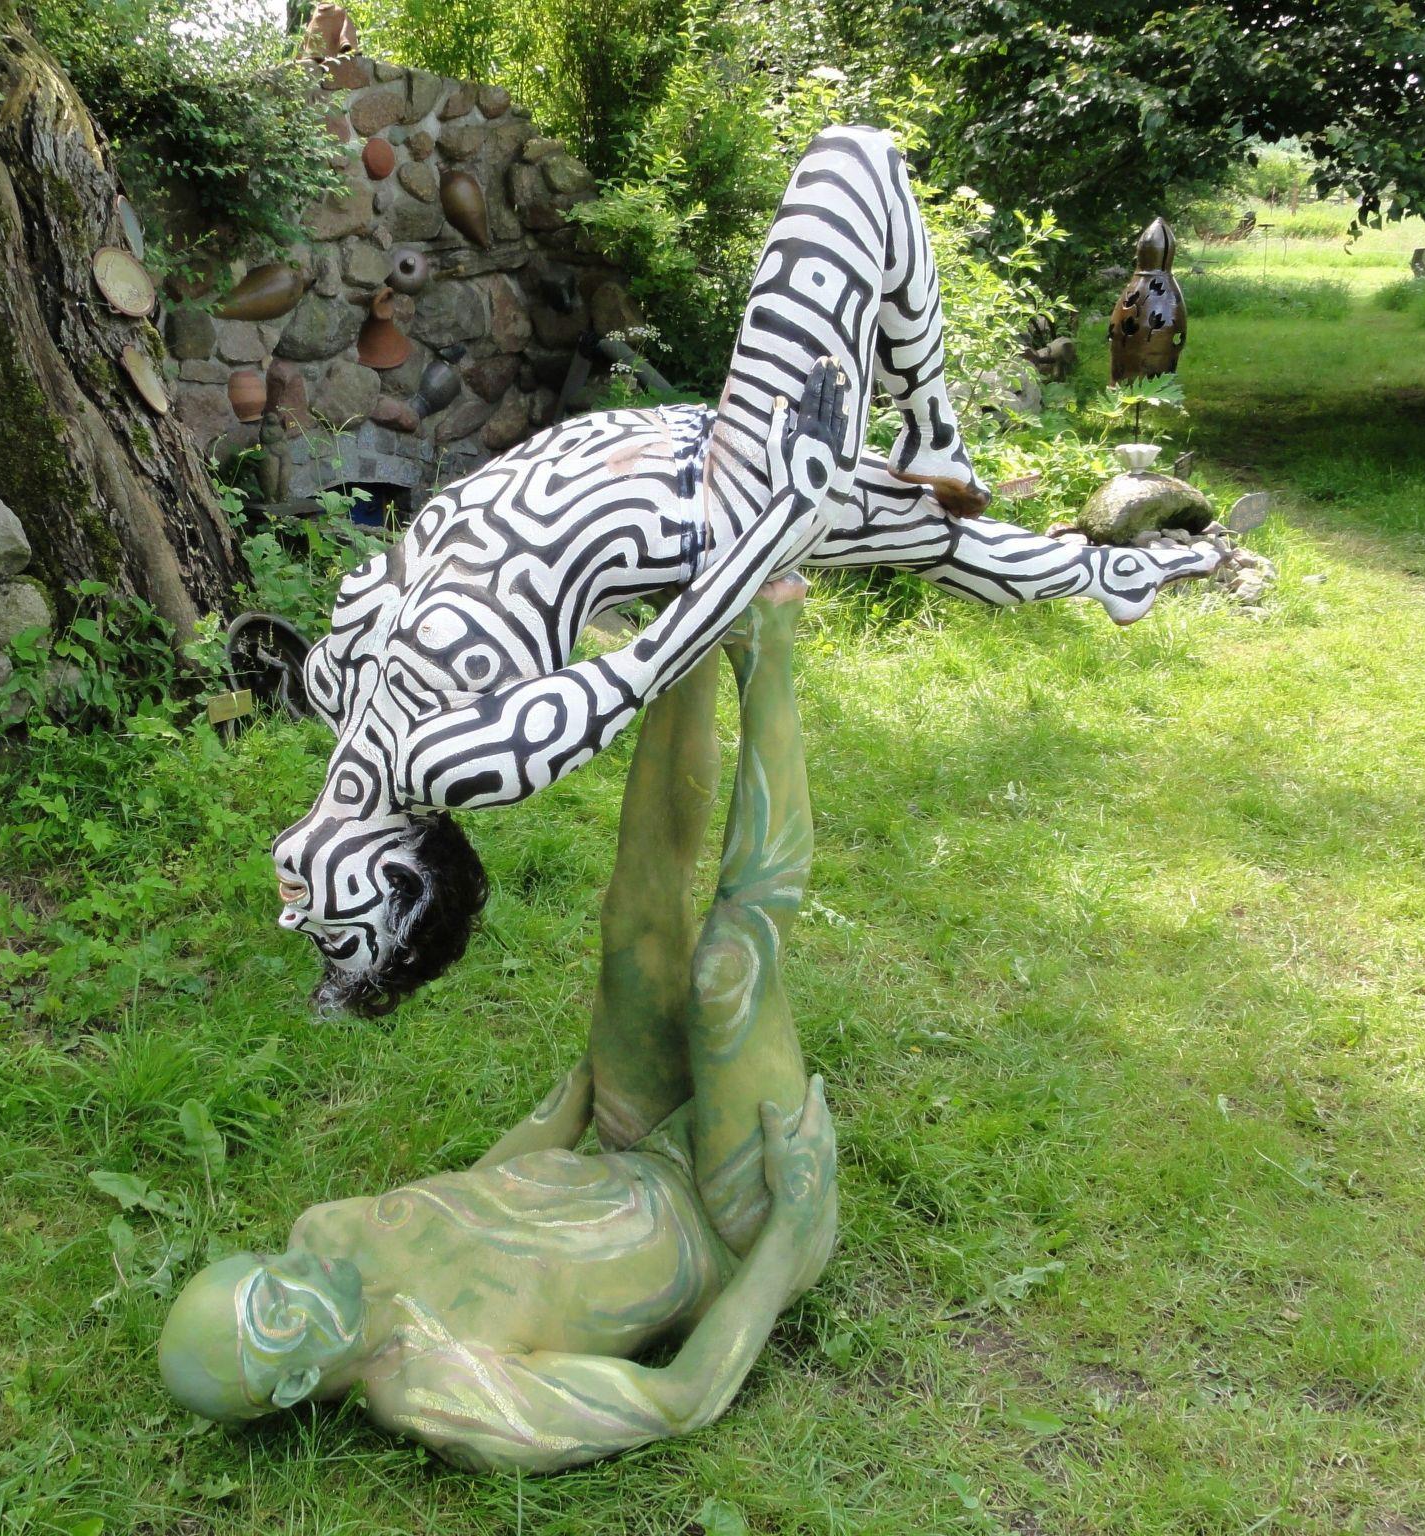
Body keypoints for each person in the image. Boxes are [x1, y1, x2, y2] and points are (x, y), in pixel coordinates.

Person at [272, 125, 1220, 1016]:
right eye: (337, 938)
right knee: (854, 164)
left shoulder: (335, 693)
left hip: (671, 451)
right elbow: (656, 655)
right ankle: (953, 446)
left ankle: (1079, 554)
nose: (296, 913)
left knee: (931, 534)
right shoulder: (458, 769)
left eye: (319, 938)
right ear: (402, 885)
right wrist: (784, 515)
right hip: (728, 494)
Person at [163, 585, 836, 1472]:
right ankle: (773, 651)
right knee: (726, 972)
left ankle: (695, 632)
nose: (294, 1270)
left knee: (634, 916)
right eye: (279, 1310)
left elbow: (465, 1205)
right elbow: (680, 1398)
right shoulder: (447, 1394)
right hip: (731, 1218)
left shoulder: (326, 1236)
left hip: (630, 1151)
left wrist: (567, 1105)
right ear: (290, 1386)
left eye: (264, 1265)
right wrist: (791, 1231)